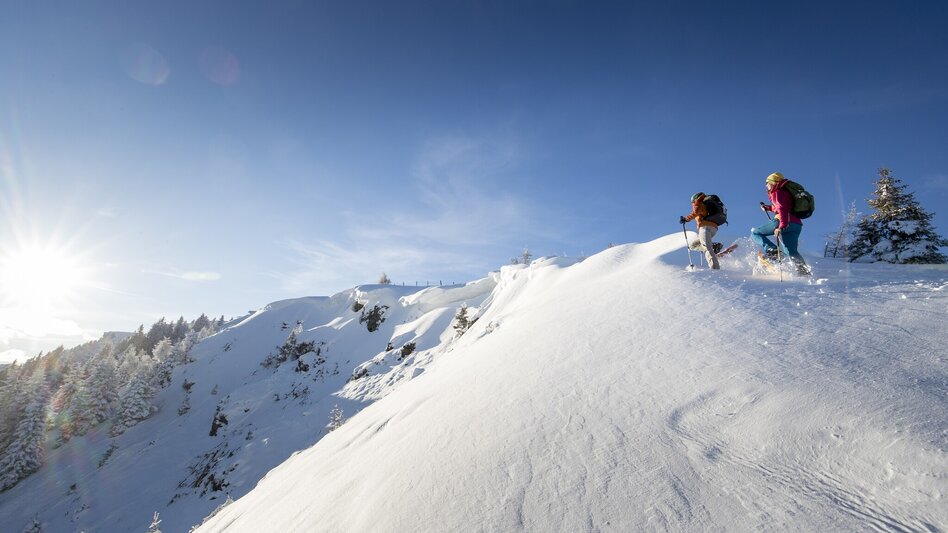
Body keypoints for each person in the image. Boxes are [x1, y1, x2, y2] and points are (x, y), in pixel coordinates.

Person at [752, 172, 810, 275]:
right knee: (791, 252)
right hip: (796, 225)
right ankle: (804, 272)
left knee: (756, 233)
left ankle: (772, 250)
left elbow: (782, 209)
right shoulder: (787, 192)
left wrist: (781, 226)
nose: (766, 186)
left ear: (773, 183)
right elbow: (782, 206)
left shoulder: (777, 191)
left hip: (783, 222)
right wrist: (769, 208)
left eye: (767, 183)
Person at [679, 192, 720, 269]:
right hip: (713, 228)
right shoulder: (705, 205)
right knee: (693, 245)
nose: (692, 203)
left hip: (705, 228)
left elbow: (694, 213)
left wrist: (685, 219)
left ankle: (715, 269)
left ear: (695, 199)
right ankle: (714, 247)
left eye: (692, 201)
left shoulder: (699, 203)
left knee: (707, 249)